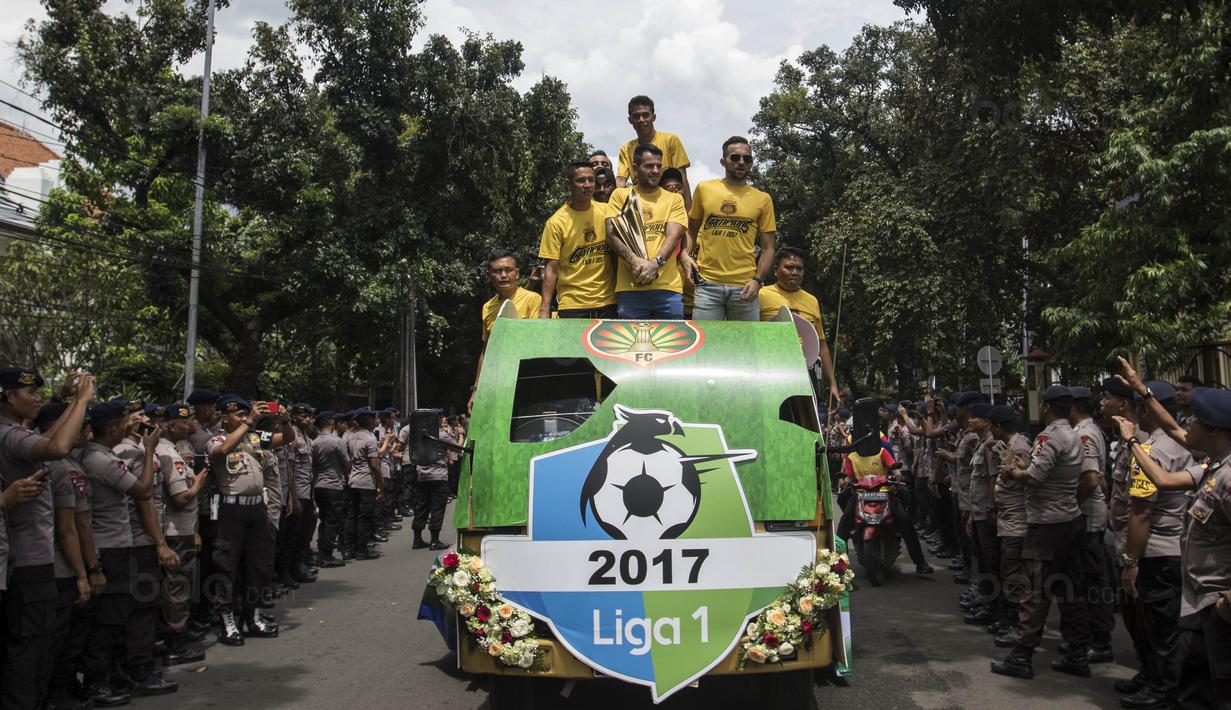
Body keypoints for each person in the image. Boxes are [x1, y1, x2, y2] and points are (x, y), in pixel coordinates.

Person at [1111, 386, 1231, 709]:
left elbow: (1141, 509)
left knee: (1214, 686)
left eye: (1195, 419)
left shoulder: (1228, 477)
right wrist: (1142, 390)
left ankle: (1160, 690)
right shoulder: (1211, 465)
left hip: (1216, 602)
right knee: (1194, 678)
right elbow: (1164, 479)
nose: (1186, 422)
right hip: (1198, 598)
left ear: (1214, 429)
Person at [0, 369, 92, 710]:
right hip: (28, 561)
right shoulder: (9, 436)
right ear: (9, 397)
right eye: (30, 394)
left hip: (31, 559)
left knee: (37, 646)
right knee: (29, 650)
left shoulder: (15, 432)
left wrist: (63, 402)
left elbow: (46, 437)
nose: (37, 398)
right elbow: (57, 446)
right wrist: (81, 400)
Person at [991, 385, 1091, 680]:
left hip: (1046, 524)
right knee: (1071, 590)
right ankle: (1077, 653)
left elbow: (1033, 479)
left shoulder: (1049, 436)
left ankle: (1021, 657)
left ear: (1046, 407)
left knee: (1035, 592)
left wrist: (1013, 472)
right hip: (1070, 519)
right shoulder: (1075, 435)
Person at [77, 398, 157, 704]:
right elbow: (144, 490)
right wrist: (148, 450)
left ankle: (109, 674)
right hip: (109, 548)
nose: (132, 426)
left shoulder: (99, 456)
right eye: (125, 423)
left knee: (116, 616)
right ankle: (97, 681)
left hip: (114, 545)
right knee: (107, 620)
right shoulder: (102, 461)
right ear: (112, 430)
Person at [113, 401, 179, 696]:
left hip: (147, 537)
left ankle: (139, 664)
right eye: (135, 415)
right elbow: (143, 499)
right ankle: (138, 670)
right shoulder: (126, 452)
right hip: (140, 540)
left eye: (143, 414)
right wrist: (160, 543)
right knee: (141, 607)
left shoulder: (139, 449)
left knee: (147, 606)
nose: (143, 419)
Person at [206, 396, 278, 645]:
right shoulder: (216, 439)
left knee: (258, 565)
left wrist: (285, 421)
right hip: (231, 510)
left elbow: (284, 440)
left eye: (245, 414)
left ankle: (253, 616)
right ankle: (227, 622)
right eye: (238, 415)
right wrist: (248, 424)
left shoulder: (255, 438)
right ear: (224, 416)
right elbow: (223, 451)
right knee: (227, 566)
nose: (243, 418)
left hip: (256, 508)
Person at [682, 136, 776, 323]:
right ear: (723, 161)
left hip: (744, 286)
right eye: (735, 157)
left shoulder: (762, 199)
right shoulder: (704, 189)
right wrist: (685, 255)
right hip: (707, 284)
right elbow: (691, 230)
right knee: (706, 347)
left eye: (747, 159)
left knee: (744, 349)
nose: (741, 162)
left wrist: (757, 280)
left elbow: (769, 248)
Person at [605, 143, 688, 319]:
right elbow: (611, 234)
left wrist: (655, 264)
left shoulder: (674, 199)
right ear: (635, 168)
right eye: (649, 166)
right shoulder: (620, 195)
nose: (656, 170)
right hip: (630, 288)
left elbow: (674, 236)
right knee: (633, 345)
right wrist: (633, 261)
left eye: (659, 166)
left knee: (672, 344)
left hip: (668, 289)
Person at [156, 402, 209, 667]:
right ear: (169, 425)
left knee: (182, 587)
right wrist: (199, 482)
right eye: (183, 421)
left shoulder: (178, 449)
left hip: (185, 529)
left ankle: (179, 633)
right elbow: (180, 498)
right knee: (176, 589)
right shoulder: (166, 453)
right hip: (175, 533)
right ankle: (174, 642)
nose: (190, 425)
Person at [834, 435, 933, 575]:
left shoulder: (882, 452)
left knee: (904, 520)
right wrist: (845, 482)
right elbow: (848, 477)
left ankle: (920, 562)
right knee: (845, 522)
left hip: (884, 493)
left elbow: (894, 468)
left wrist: (897, 475)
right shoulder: (851, 457)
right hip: (860, 494)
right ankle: (836, 564)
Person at [1067, 386, 1115, 663]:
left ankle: (1100, 640)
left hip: (1086, 515)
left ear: (1074, 406)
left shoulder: (1084, 434)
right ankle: (1087, 636)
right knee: (1084, 578)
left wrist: (1072, 504)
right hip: (1085, 512)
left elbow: (1091, 480)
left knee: (1092, 580)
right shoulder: (1087, 429)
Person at [757, 248, 841, 405]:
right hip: (769, 371)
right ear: (776, 270)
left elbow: (821, 344)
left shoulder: (812, 301)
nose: (794, 272)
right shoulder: (761, 294)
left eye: (799, 268)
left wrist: (833, 385)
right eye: (789, 267)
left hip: (805, 374)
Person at [537, 162, 617, 320]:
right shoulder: (556, 223)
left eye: (591, 180)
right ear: (568, 184)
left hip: (608, 302)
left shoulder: (607, 212)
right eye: (581, 180)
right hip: (572, 306)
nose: (587, 185)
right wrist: (544, 310)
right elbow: (551, 270)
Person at [469, 250, 542, 413]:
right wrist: (476, 390)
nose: (503, 275)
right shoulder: (487, 307)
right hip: (498, 383)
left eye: (508, 270)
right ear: (489, 276)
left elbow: (537, 341)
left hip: (526, 379)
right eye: (497, 271)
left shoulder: (533, 299)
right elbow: (486, 351)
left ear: (516, 273)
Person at [985, 404, 1031, 648]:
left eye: (993, 426)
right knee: (1007, 570)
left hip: (1017, 521)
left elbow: (1024, 478)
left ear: (999, 426)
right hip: (1008, 519)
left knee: (1014, 575)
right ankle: (1007, 619)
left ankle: (1014, 624)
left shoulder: (1020, 447)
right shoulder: (1009, 447)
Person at [615, 95, 691, 209]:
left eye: (645, 115)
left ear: (653, 117)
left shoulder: (670, 140)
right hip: (642, 206)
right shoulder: (626, 149)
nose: (641, 120)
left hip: (669, 204)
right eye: (636, 116)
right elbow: (620, 181)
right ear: (630, 120)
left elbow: (682, 178)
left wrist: (689, 211)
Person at [411, 417, 456, 551]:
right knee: (437, 508)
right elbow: (457, 448)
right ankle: (434, 540)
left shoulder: (417, 436)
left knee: (421, 507)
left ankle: (417, 539)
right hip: (438, 476)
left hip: (422, 476)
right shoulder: (442, 435)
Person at [345, 407, 383, 561]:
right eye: (374, 419)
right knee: (365, 517)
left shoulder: (349, 437)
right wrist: (380, 483)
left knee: (352, 515)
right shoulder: (370, 439)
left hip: (353, 480)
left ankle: (349, 548)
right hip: (366, 482)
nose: (376, 421)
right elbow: (374, 464)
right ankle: (362, 549)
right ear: (369, 421)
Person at [312, 411, 349, 566]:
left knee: (324, 520)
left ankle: (323, 551)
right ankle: (326, 555)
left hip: (319, 485)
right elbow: (346, 463)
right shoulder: (336, 442)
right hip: (334, 485)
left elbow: (312, 466)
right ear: (331, 424)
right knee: (332, 521)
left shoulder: (314, 442)